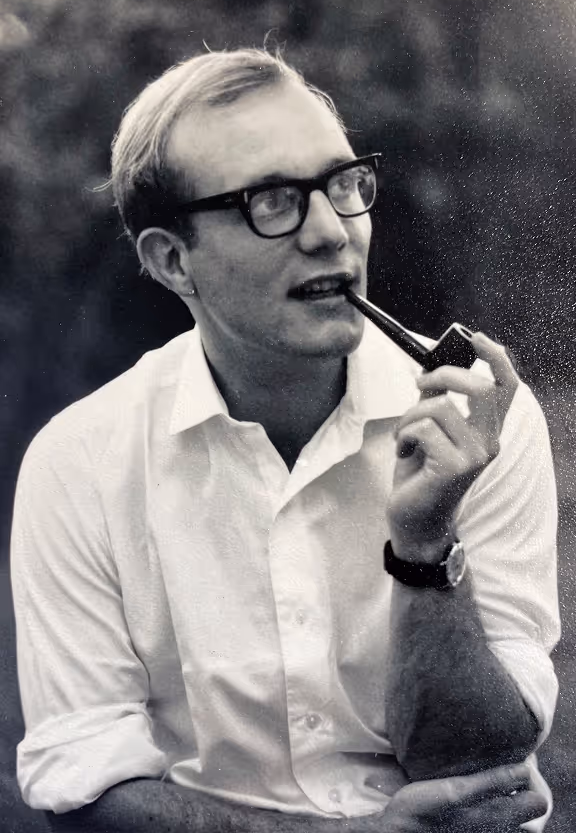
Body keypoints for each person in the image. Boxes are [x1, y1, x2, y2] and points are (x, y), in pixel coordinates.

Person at [11, 48, 560, 833]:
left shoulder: (473, 422)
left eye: (343, 184)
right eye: (272, 201)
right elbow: (85, 789)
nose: (333, 232)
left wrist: (424, 545)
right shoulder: (81, 462)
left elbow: (479, 764)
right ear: (173, 261)